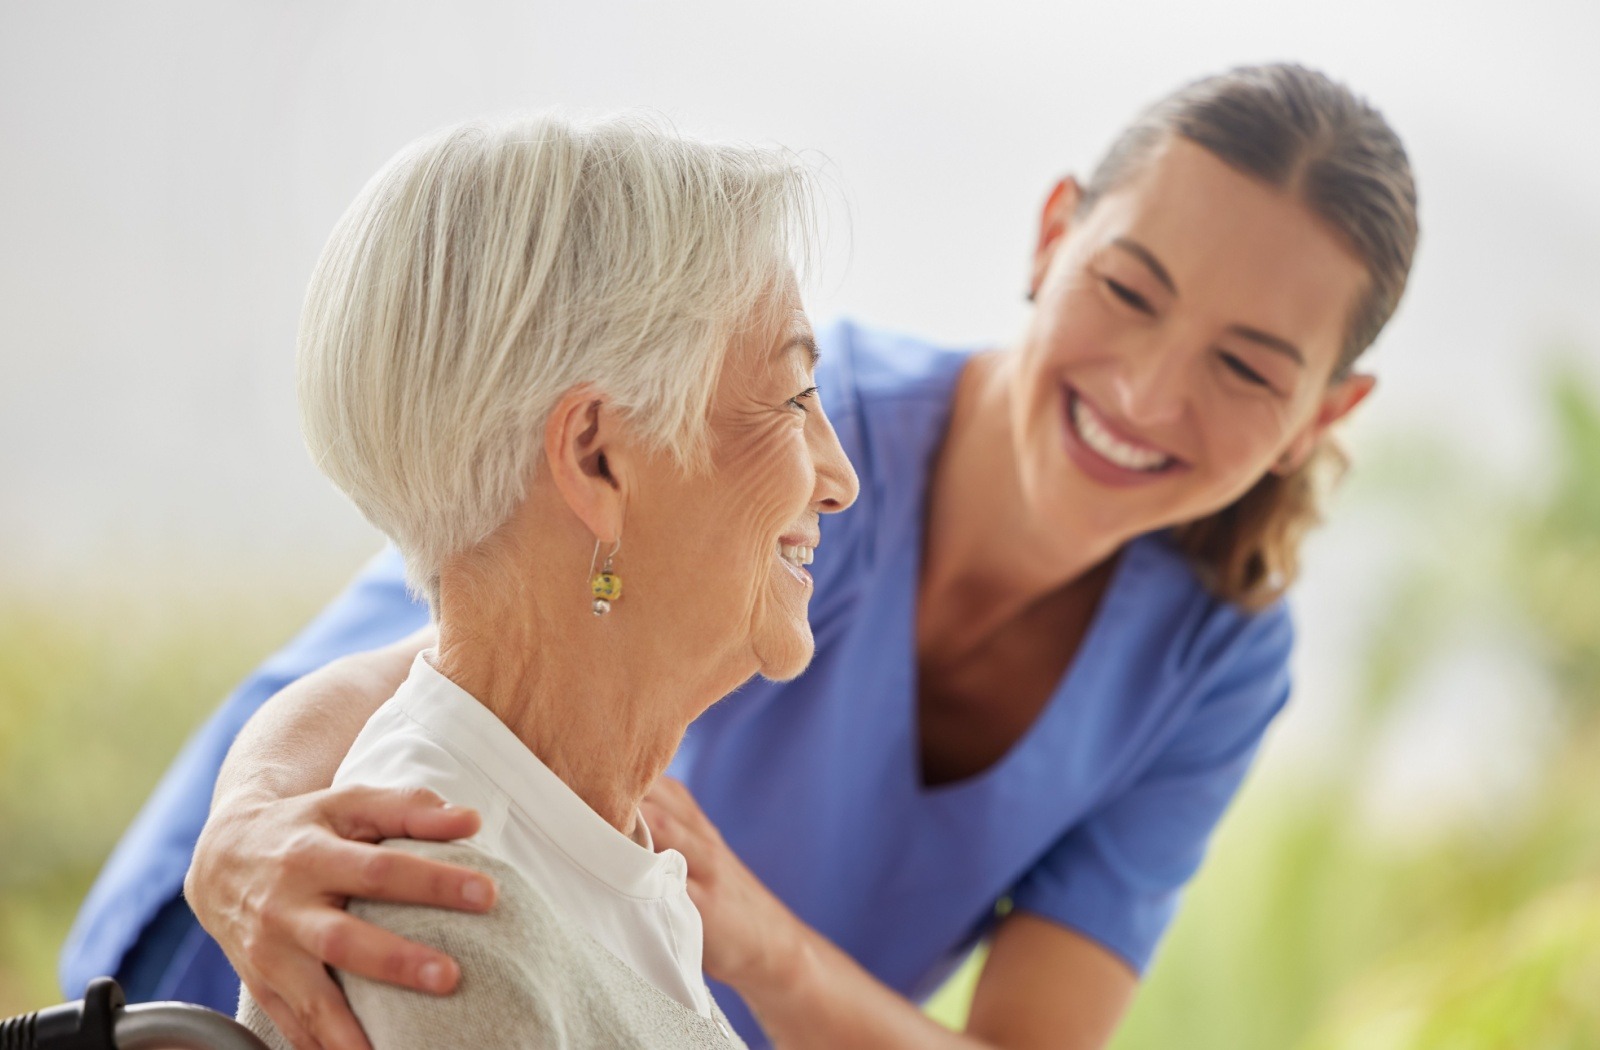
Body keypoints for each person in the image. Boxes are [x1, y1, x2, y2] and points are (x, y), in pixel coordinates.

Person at [62, 63, 1419, 1050]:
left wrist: (761, 946)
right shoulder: (761, 436)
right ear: (1055, 232)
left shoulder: (1214, 659)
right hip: (338, 940)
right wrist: (245, 835)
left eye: (1246, 367)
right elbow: (453, 624)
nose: (1147, 389)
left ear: (1326, 415)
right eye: (1130, 291)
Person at [212, 111, 857, 1047]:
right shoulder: (448, 923)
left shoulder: (580, 848)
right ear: (596, 459)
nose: (839, 479)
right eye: (793, 399)